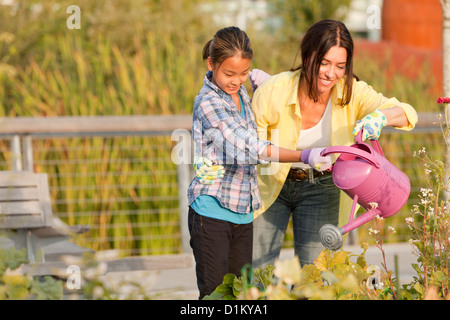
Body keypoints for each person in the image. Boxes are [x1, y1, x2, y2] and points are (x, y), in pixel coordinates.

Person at [196, 20, 418, 269]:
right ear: (307, 56)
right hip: (271, 185)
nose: (330, 73)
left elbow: (407, 112)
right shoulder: (275, 90)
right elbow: (249, 145)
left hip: (322, 188)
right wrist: (211, 159)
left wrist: (382, 117)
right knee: (255, 276)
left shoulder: (352, 92)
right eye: (324, 63)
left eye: (340, 66)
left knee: (315, 277)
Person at [187, 26, 332, 299]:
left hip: (243, 211)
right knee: (216, 295)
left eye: (243, 73)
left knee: (244, 294)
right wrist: (302, 155)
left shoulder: (241, 93)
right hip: (212, 210)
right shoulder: (208, 102)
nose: (236, 80)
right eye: (229, 73)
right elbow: (247, 147)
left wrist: (268, 87)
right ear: (210, 63)